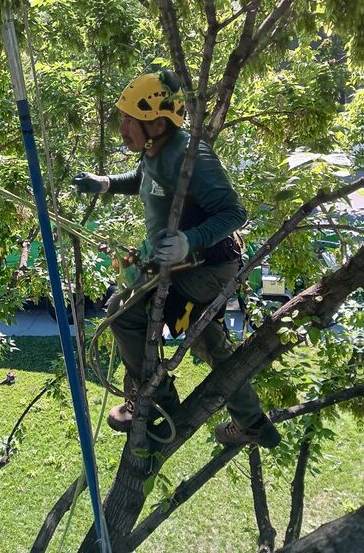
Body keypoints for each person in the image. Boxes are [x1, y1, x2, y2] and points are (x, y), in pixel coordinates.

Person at [73, 68, 281, 448]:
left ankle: (159, 405)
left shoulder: (190, 155)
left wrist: (191, 240)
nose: (122, 128)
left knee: (123, 312)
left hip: (205, 265)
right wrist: (105, 183)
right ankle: (253, 422)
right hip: (184, 263)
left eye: (128, 120)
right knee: (209, 341)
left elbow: (235, 214)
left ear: (157, 121)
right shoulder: (156, 150)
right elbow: (144, 178)